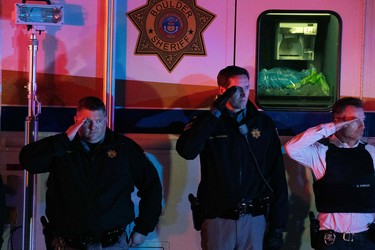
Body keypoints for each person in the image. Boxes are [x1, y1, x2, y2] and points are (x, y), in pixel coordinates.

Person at [19, 96, 162, 250]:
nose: (93, 127)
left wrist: (143, 228)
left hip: (112, 243)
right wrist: (65, 138)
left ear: (106, 119)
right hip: (68, 243)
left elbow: (152, 186)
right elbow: (28, 162)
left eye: (98, 121)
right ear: (76, 120)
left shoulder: (124, 148)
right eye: (86, 121)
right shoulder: (62, 148)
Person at [176, 65, 289, 250]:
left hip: (254, 219)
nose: (244, 94)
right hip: (219, 219)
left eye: (246, 88)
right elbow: (186, 151)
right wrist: (214, 114)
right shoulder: (206, 123)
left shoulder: (263, 123)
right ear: (222, 91)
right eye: (236, 89)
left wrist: (277, 226)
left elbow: (277, 175)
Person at [284, 97, 375, 249]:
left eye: (363, 119)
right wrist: (333, 127)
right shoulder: (321, 152)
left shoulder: (371, 153)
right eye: (355, 120)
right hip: (332, 241)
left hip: (366, 240)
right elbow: (292, 148)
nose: (362, 126)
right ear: (339, 121)